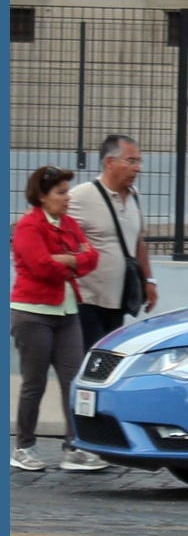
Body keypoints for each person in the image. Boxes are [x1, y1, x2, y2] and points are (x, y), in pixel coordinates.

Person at [10, 166, 107, 471]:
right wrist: (74, 262)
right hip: (32, 314)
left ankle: (73, 447)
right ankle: (23, 447)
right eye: (61, 192)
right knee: (34, 383)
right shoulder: (28, 226)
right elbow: (40, 267)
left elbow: (92, 257)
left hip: (67, 313)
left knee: (73, 382)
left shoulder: (68, 224)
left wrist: (67, 260)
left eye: (67, 191)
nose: (67, 198)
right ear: (42, 196)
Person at [68, 135, 158, 349]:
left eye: (139, 161)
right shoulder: (81, 197)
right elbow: (53, 231)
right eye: (131, 161)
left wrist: (149, 281)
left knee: (107, 362)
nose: (138, 168)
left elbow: (137, 241)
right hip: (86, 301)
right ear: (109, 162)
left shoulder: (135, 196)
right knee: (92, 361)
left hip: (118, 301)